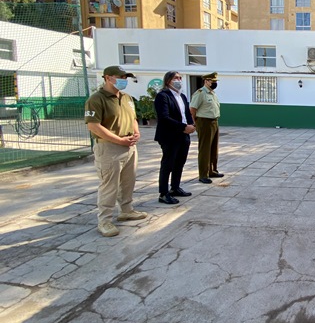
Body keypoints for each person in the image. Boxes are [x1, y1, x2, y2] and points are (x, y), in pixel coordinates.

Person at [84, 66, 147, 237]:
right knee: (109, 185)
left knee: (128, 181)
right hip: (109, 147)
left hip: (129, 145)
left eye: (125, 77)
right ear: (108, 78)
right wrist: (118, 140)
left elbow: (133, 118)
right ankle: (104, 220)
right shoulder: (96, 99)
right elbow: (93, 125)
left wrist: (136, 133)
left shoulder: (126, 98)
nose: (124, 80)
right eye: (120, 77)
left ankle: (126, 210)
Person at [154, 71, 196, 205]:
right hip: (170, 135)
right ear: (168, 81)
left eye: (180, 78)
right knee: (168, 164)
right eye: (175, 78)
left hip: (183, 135)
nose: (178, 80)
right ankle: (163, 193)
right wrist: (183, 126)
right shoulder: (163, 96)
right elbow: (164, 117)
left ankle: (175, 187)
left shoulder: (182, 96)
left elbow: (186, 114)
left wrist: (191, 125)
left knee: (180, 162)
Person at [190, 72, 223, 184]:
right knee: (205, 149)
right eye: (212, 82)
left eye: (215, 82)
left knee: (214, 148)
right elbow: (193, 110)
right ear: (206, 81)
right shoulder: (200, 93)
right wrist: (195, 123)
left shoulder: (212, 93)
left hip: (214, 121)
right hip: (204, 122)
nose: (214, 83)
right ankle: (203, 174)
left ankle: (212, 170)